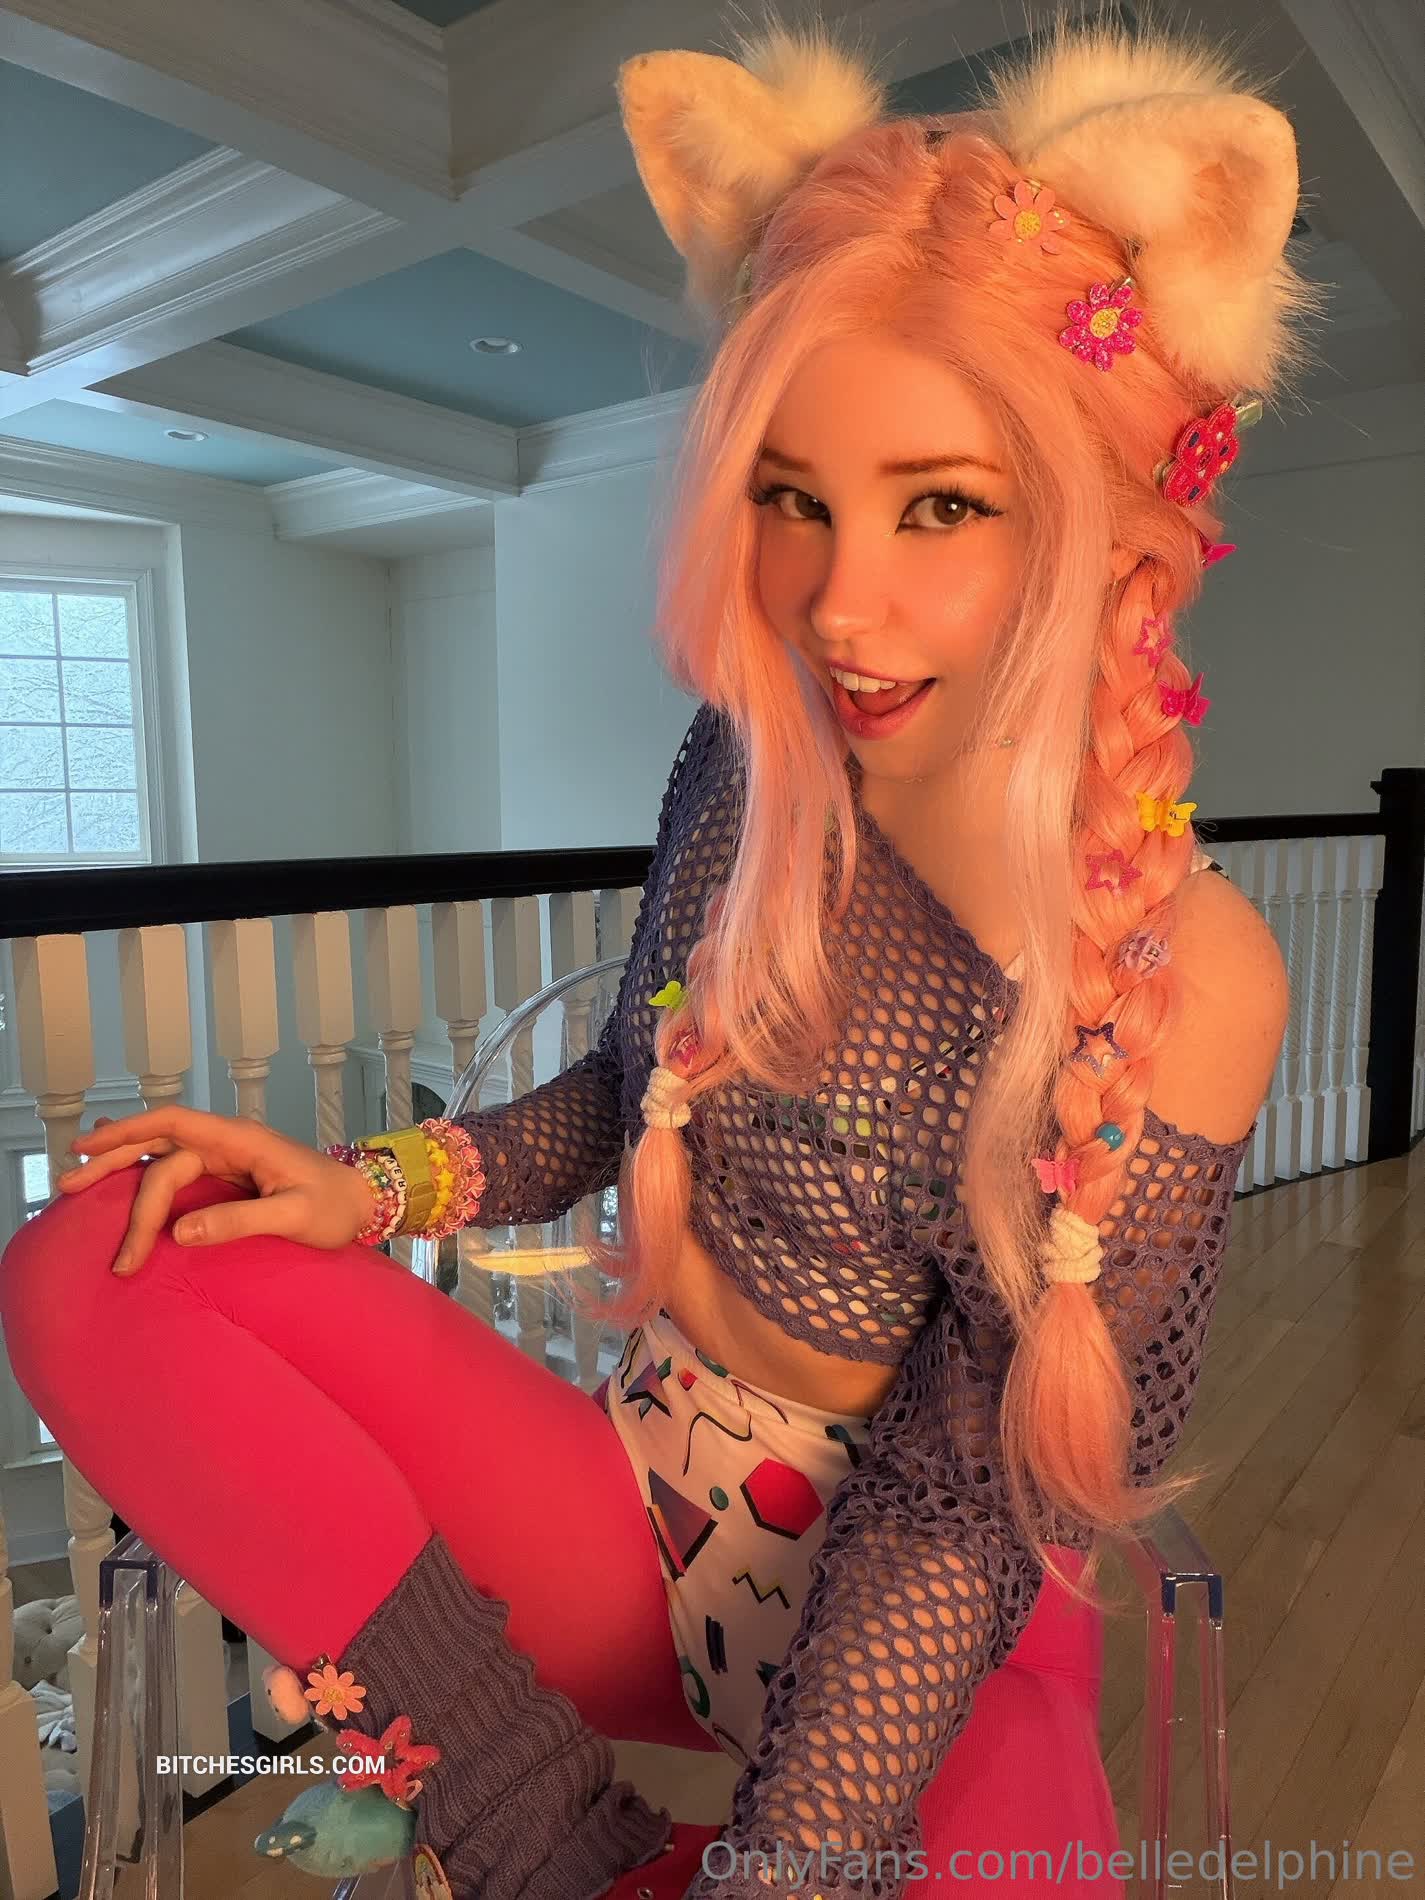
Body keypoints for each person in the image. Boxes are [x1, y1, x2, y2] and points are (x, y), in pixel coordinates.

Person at [0, 12, 1307, 1899]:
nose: (838, 602)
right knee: (100, 1256)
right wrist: (376, 1184)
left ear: (1107, 528)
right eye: (790, 496)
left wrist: (782, 1863)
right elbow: (630, 1086)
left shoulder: (1194, 976)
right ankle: (556, 1839)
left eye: (941, 505)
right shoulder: (740, 771)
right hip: (633, 1513)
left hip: (938, 1644)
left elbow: (964, 1500)